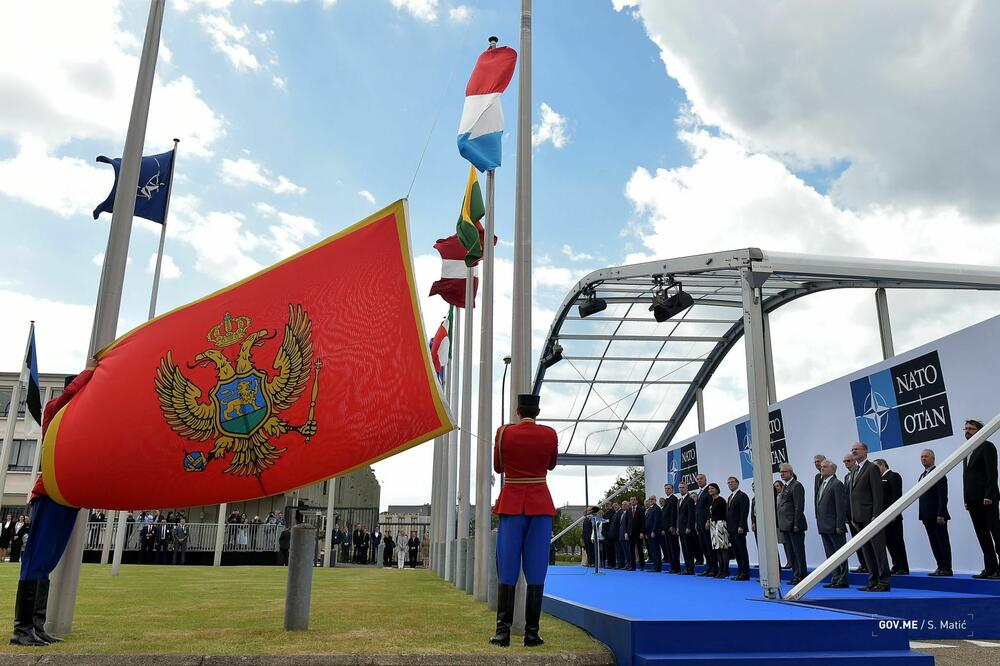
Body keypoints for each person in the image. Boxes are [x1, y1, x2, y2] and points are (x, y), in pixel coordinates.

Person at [490, 393, 558, 649]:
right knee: (537, 568)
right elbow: (551, 465)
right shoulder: (550, 433)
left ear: (518, 411)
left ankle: (502, 632)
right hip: (540, 503)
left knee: (507, 567)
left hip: (512, 501)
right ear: (537, 411)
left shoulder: (504, 432)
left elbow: (498, 467)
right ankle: (532, 633)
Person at [961, 419, 1000, 579]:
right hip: (972, 500)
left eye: (971, 428)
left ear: (980, 431)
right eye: (966, 428)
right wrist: (965, 498)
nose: (967, 431)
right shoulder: (966, 451)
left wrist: (989, 496)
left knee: (996, 533)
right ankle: (990, 568)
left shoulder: (987, 447)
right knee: (982, 535)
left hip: (986, 499)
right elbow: (966, 477)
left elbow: (992, 473)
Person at [851, 441, 891, 591]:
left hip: (871, 517)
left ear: (865, 451)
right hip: (859, 518)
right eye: (852, 449)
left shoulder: (872, 468)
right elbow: (852, 495)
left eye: (857, 449)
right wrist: (854, 517)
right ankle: (873, 580)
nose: (854, 451)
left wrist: (876, 515)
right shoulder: (854, 469)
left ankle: (884, 581)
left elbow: (877, 494)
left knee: (878, 550)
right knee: (867, 552)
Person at [918, 449, 952, 576]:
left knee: (942, 541)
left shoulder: (938, 473)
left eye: (926, 456)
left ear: (932, 458)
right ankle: (940, 566)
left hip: (937, 516)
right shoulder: (922, 475)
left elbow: (943, 496)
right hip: (926, 515)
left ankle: (947, 568)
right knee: (934, 542)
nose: (923, 459)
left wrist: (940, 514)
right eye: (921, 457)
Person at [815, 459, 849, 588]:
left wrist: (840, 525)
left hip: (835, 526)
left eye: (825, 467)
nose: (821, 469)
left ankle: (843, 579)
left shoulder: (836, 484)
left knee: (840, 553)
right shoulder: (822, 484)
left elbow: (840, 507)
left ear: (833, 470)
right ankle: (835, 577)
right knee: (830, 555)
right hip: (824, 525)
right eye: (821, 467)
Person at [875, 458, 909, 575]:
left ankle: (903, 567)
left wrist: (895, 513)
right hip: (882, 517)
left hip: (893, 516)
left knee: (897, 541)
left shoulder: (893, 476)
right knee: (888, 541)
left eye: (876, 467)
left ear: (883, 465)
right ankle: (896, 564)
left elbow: (897, 496)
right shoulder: (878, 480)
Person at [777, 464, 808, 584]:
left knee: (798, 551)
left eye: (784, 472)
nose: (782, 474)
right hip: (785, 525)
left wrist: (796, 523)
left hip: (794, 525)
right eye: (781, 472)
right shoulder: (785, 486)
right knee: (790, 552)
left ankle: (802, 575)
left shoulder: (796, 485)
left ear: (790, 472)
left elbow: (798, 506)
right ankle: (796, 574)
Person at [842, 453, 866, 573]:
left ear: (854, 461)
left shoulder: (860, 474)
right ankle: (862, 563)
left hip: (860, 513)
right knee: (856, 541)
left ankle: (868, 564)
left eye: (848, 461)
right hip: (850, 514)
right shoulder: (847, 477)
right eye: (844, 461)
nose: (846, 463)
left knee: (865, 540)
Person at [726, 476, 750, 580]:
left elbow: (743, 513)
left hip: (739, 528)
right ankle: (740, 572)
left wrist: (741, 525)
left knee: (742, 551)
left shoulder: (742, 496)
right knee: (736, 551)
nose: (730, 484)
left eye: (732, 482)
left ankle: (745, 573)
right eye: (729, 483)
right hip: (731, 529)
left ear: (737, 483)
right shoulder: (730, 497)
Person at [693, 474, 715, 576]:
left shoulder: (708, 491)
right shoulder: (700, 492)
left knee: (709, 547)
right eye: (697, 479)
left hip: (706, 525)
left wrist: (708, 520)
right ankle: (708, 568)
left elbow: (711, 508)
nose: (699, 481)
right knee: (704, 547)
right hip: (700, 525)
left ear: (706, 480)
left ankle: (714, 569)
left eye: (701, 479)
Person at [706, 483, 729, 578]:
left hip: (721, 525)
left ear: (717, 489)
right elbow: (711, 513)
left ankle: (725, 571)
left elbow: (725, 514)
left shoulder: (721, 500)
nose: (710, 490)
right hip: (713, 525)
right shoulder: (712, 501)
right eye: (709, 489)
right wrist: (708, 521)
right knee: (717, 549)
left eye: (712, 488)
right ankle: (720, 570)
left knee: (723, 548)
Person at [771, 480, 792, 569]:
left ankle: (791, 561)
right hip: (778, 523)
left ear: (782, 487)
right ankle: (789, 561)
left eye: (777, 486)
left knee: (788, 543)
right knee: (784, 543)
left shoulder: (783, 496)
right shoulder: (774, 497)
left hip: (785, 522)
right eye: (774, 486)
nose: (776, 488)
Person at [677, 482, 696, 574]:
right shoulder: (679, 500)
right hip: (680, 528)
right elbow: (678, 516)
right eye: (680, 487)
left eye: (683, 487)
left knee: (689, 549)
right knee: (684, 549)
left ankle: (691, 569)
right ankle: (687, 567)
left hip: (687, 528)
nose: (681, 489)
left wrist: (689, 527)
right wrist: (677, 527)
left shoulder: (690, 499)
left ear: (687, 488)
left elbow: (691, 515)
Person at [661, 485, 681, 573]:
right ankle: (672, 567)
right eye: (666, 489)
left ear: (672, 489)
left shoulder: (674, 499)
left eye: (669, 488)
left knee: (674, 548)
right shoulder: (667, 500)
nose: (667, 490)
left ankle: (676, 567)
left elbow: (674, 513)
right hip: (666, 527)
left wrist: (672, 526)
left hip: (671, 528)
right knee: (669, 548)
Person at [625, 496, 645, 571]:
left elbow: (643, 522)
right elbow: (626, 522)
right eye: (631, 500)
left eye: (634, 500)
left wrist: (642, 532)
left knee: (640, 549)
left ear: (636, 501)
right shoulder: (628, 510)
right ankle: (632, 566)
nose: (632, 501)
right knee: (631, 550)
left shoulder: (641, 510)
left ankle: (642, 566)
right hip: (630, 533)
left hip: (638, 533)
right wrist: (626, 532)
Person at [644, 497, 663, 573]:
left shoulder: (657, 508)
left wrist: (653, 531)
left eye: (652, 499)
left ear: (655, 500)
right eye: (650, 499)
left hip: (654, 533)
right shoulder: (650, 509)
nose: (651, 501)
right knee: (652, 550)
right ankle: (655, 565)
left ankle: (658, 566)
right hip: (649, 533)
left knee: (656, 550)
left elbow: (656, 521)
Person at [603, 502, 619, 569]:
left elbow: (609, 520)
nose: (606, 506)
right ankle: (609, 563)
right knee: (608, 549)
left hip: (610, 533)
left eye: (608, 505)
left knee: (611, 549)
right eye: (605, 505)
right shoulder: (606, 512)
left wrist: (604, 520)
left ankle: (612, 564)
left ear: (610, 505)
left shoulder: (612, 512)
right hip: (606, 534)